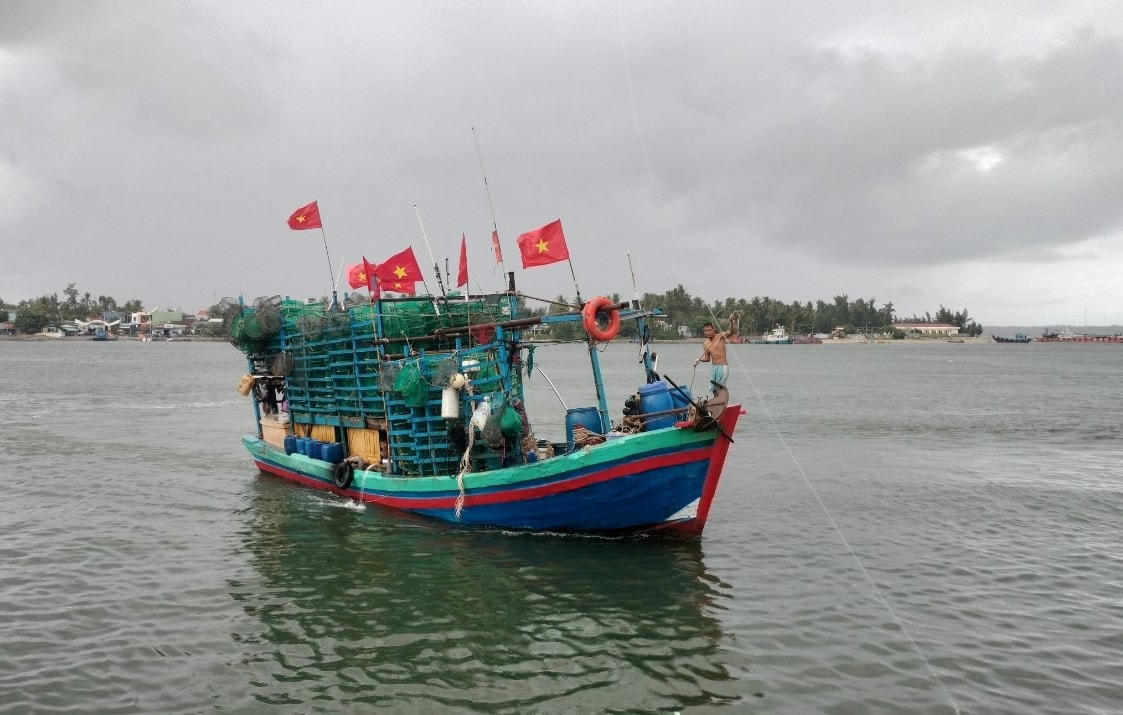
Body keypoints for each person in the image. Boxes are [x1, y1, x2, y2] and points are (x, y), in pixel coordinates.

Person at [694, 321, 730, 393]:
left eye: (709, 330)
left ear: (713, 330)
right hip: (714, 368)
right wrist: (699, 359)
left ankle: (722, 399)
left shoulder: (720, 337)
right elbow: (707, 359)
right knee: (713, 389)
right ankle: (716, 400)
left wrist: (732, 322)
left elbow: (731, 332)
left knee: (720, 388)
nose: (708, 332)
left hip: (722, 366)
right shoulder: (705, 343)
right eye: (705, 331)